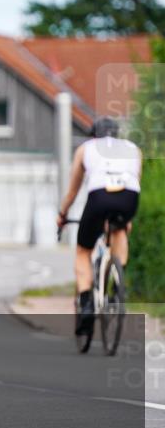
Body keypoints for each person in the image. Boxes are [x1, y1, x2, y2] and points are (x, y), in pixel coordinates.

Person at [56, 116, 142, 336]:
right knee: (119, 229)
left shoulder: (86, 148)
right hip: (129, 197)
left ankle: (86, 304)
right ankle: (117, 279)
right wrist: (126, 218)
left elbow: (73, 191)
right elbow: (134, 181)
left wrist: (62, 215)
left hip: (99, 197)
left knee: (83, 250)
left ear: (94, 135)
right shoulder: (133, 148)